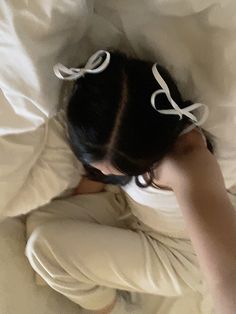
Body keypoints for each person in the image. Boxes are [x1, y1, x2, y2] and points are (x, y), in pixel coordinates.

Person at [25, 51, 236, 314]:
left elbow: (227, 278)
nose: (104, 172)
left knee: (43, 248)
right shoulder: (106, 114)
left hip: (176, 253)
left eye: (124, 168)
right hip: (132, 209)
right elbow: (97, 176)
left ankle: (114, 310)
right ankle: (89, 274)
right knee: (40, 223)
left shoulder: (187, 163)